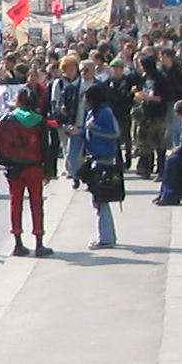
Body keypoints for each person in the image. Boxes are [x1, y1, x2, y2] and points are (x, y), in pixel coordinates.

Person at [0, 86, 52, 257]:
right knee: (36, 204)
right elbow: (45, 147)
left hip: (13, 167)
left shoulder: (9, 118)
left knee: (15, 203)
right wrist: (48, 170)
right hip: (35, 166)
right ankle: (39, 242)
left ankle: (18, 243)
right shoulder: (39, 120)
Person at [77, 85, 124, 249]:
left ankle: (106, 237)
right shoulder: (92, 113)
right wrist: (79, 132)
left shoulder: (105, 112)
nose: (84, 103)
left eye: (86, 99)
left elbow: (114, 133)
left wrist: (94, 128)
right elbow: (89, 134)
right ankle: (106, 235)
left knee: (102, 200)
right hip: (94, 159)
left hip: (105, 160)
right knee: (98, 201)